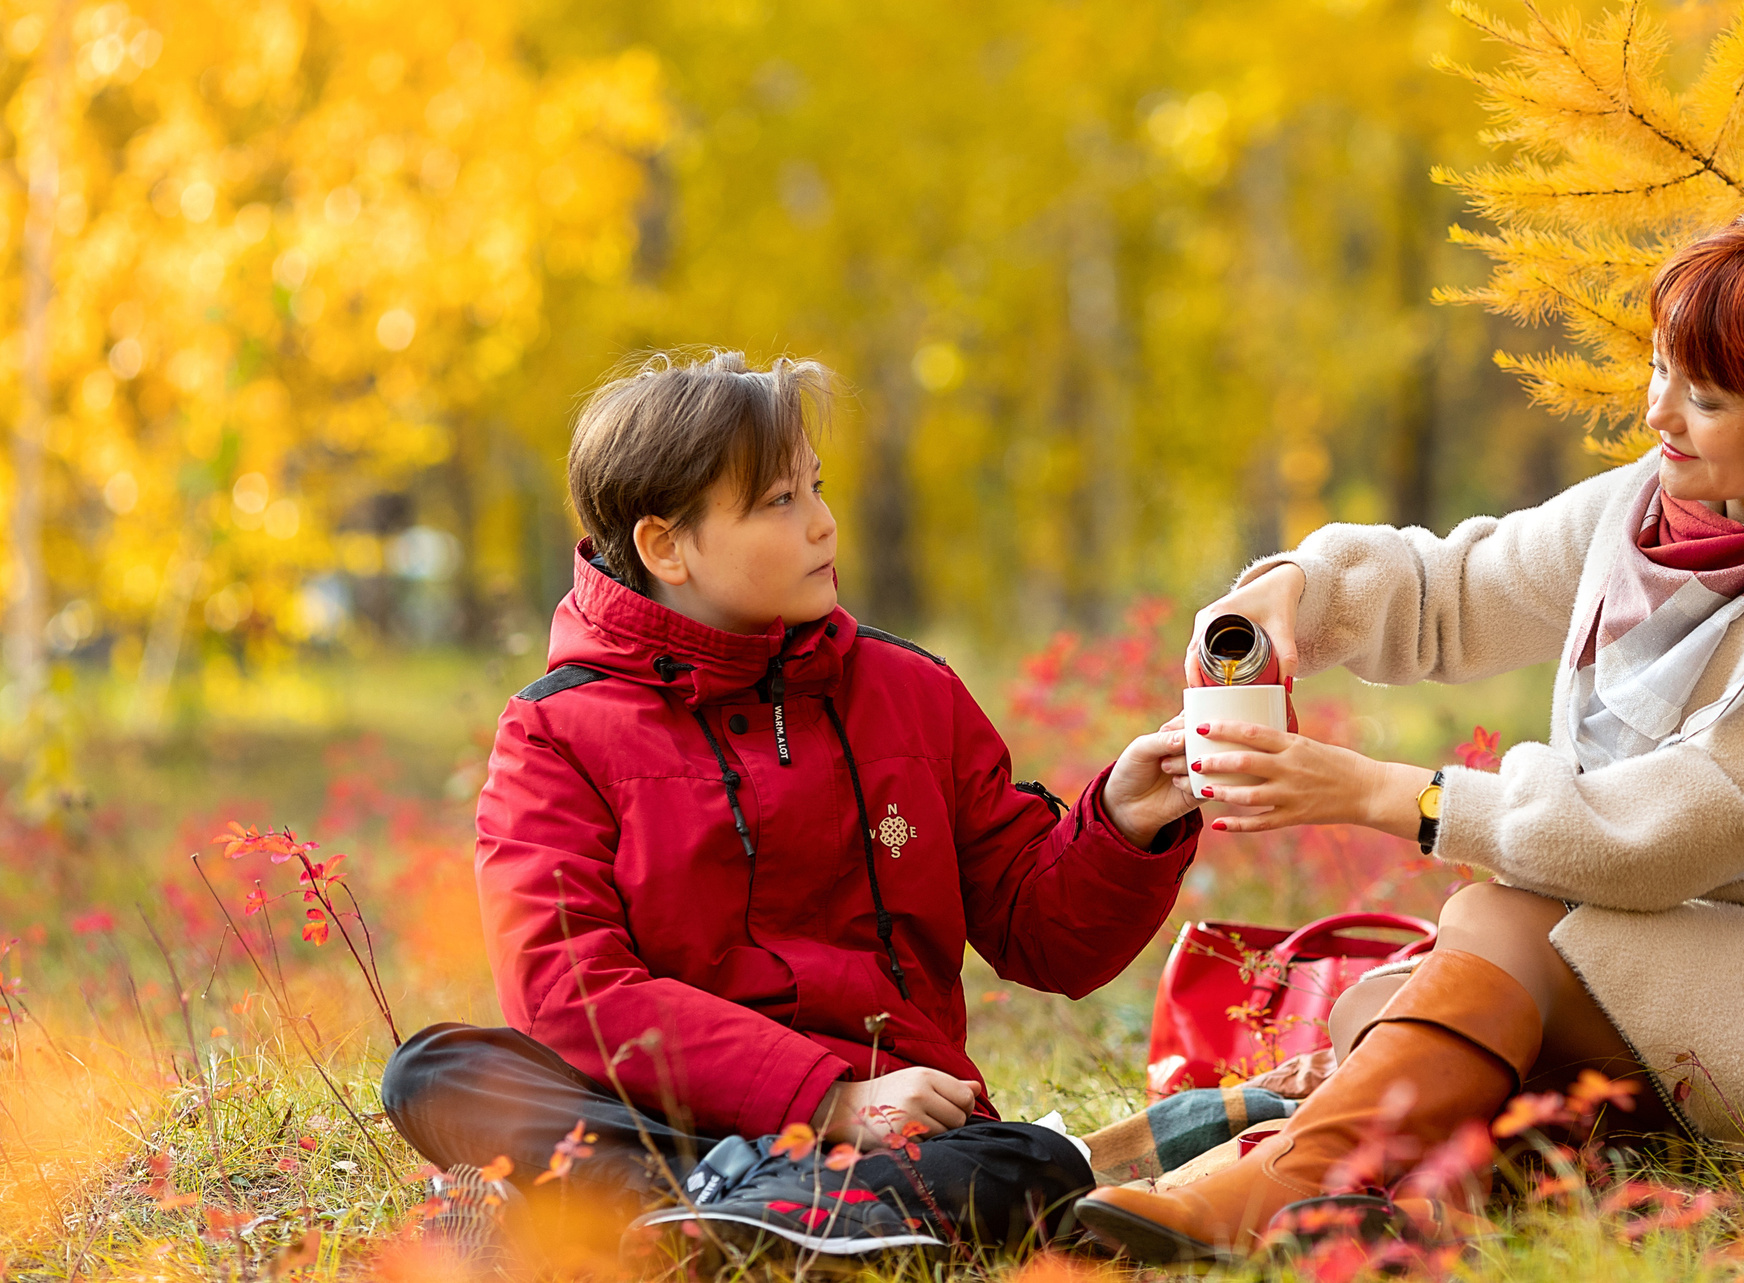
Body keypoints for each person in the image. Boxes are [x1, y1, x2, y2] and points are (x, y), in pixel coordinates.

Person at [1076, 212, 1744, 1262]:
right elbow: (1454, 587)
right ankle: (1411, 1207)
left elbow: (1668, 832)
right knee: (1401, 1003)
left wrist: (1380, 792)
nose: (1658, 413)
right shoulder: (1649, 514)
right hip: (1674, 952)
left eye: (1706, 398)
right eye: (1660, 371)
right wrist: (1303, 586)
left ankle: (1270, 1187)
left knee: (1498, 933)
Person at [380, 351, 1202, 1262]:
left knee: (1034, 1161)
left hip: (897, 1123)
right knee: (438, 1070)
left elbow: (1043, 933)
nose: (823, 522)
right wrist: (822, 1098)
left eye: (816, 486)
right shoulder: (556, 729)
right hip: (664, 1111)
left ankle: (668, 1218)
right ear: (666, 546)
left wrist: (1126, 820)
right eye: (778, 500)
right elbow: (567, 988)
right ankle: (753, 1217)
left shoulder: (911, 692)